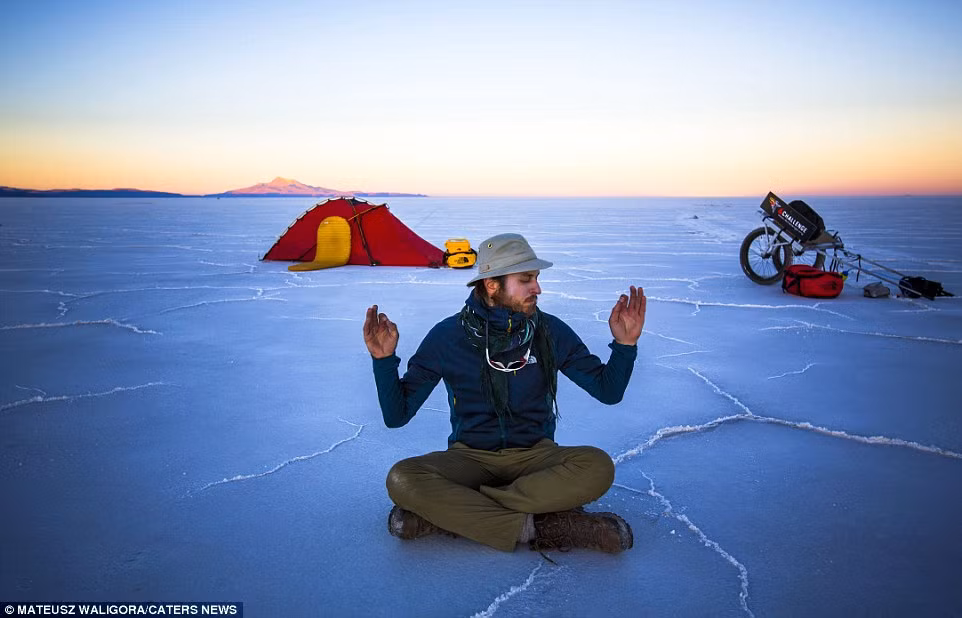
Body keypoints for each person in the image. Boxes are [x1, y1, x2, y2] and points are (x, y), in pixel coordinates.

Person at [363, 233, 646, 553]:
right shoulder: (447, 337)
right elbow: (397, 415)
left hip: (537, 457)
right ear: (492, 285)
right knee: (402, 478)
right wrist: (383, 361)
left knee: (598, 467)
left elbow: (607, 391)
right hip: (468, 458)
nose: (537, 288)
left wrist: (625, 345)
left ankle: (451, 515)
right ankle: (543, 526)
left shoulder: (550, 331)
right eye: (526, 279)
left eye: (536, 278)